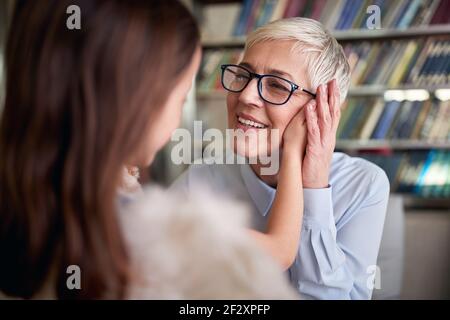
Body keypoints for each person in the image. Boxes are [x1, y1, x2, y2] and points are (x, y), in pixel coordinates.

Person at [0, 0, 304, 299]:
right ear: (139, 106)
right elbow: (277, 252)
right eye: (181, 98)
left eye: (276, 85)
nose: (248, 97)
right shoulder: (157, 237)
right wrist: (292, 152)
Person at [171, 17, 390, 300]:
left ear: (324, 109)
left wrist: (314, 188)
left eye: (277, 85)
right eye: (243, 75)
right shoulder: (203, 177)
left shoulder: (363, 185)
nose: (247, 96)